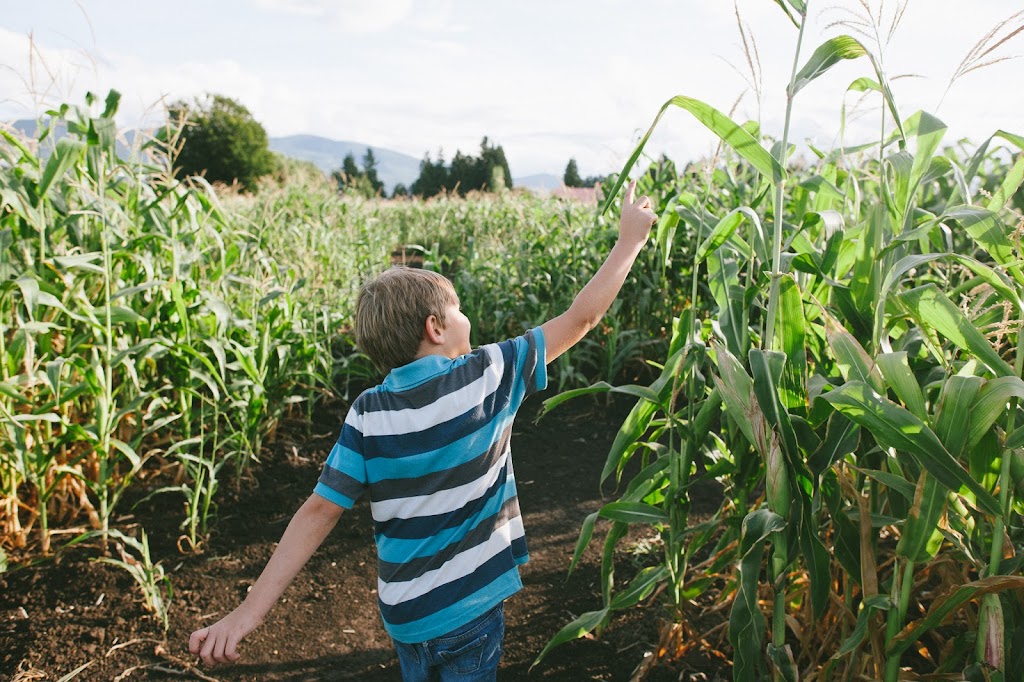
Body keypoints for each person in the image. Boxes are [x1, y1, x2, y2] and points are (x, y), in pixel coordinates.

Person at [189, 180, 658, 678]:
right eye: (455, 308)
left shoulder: (367, 413)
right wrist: (630, 241)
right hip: (470, 610)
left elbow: (319, 510)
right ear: (436, 327)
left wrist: (248, 613)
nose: (464, 315)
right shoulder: (489, 374)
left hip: (406, 618)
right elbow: (583, 318)